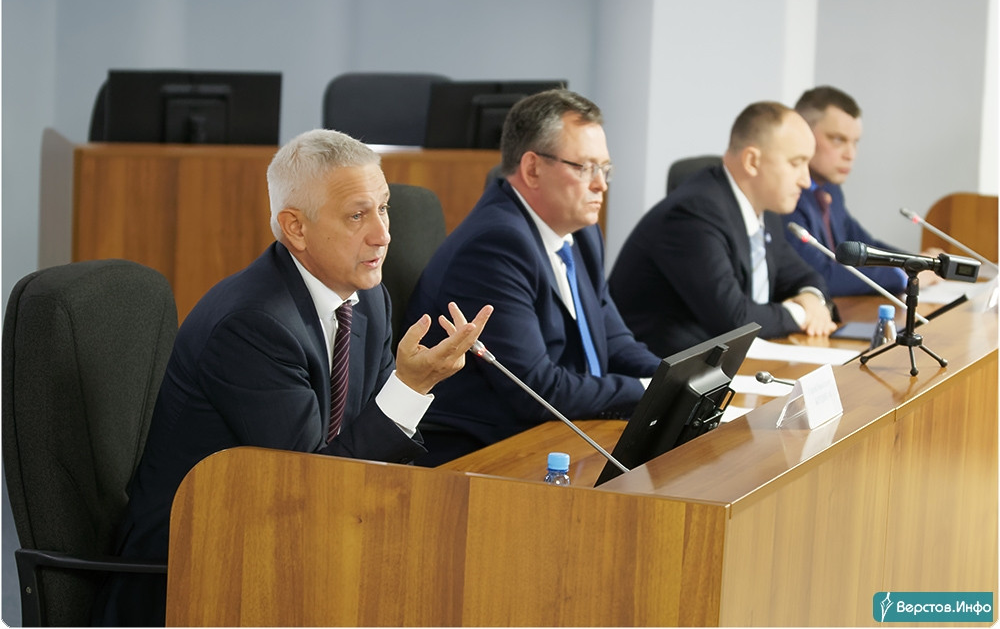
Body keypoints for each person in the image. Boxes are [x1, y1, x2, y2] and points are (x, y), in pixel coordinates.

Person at [94, 129, 492, 626]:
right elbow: (314, 487)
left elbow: (356, 459)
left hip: (286, 540)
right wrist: (411, 387)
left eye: (384, 208)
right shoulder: (253, 325)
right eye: (357, 215)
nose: (383, 234)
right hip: (197, 572)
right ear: (296, 228)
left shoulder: (368, 299)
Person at [404, 89, 661, 466]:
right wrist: (643, 389)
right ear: (532, 169)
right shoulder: (494, 246)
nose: (600, 184)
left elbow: (612, 337)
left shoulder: (582, 233)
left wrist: (671, 380)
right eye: (585, 168)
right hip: (484, 455)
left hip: (560, 432)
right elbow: (537, 389)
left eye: (605, 169)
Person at [609, 101, 838, 358]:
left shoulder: (765, 211)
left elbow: (804, 276)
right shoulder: (693, 214)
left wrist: (812, 297)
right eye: (796, 163)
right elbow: (735, 321)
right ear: (752, 161)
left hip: (726, 362)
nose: (806, 180)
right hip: (657, 370)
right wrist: (802, 312)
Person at [782, 85, 939, 295]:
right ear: (803, 135)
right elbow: (820, 275)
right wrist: (903, 276)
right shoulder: (785, 194)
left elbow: (865, 247)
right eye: (838, 139)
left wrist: (918, 263)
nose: (850, 154)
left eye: (855, 142)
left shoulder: (830, 190)